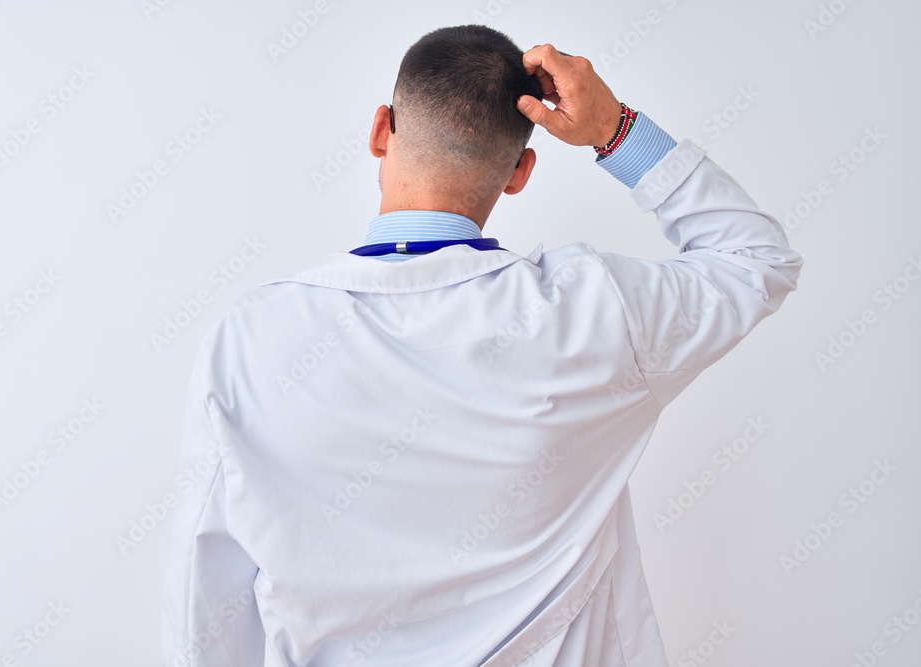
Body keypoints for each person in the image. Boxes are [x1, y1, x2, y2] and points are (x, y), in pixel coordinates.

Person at [161, 24, 802, 667]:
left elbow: (204, 595)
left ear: (381, 130)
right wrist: (614, 129)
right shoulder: (594, 314)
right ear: (521, 172)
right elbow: (756, 259)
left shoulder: (249, 339)